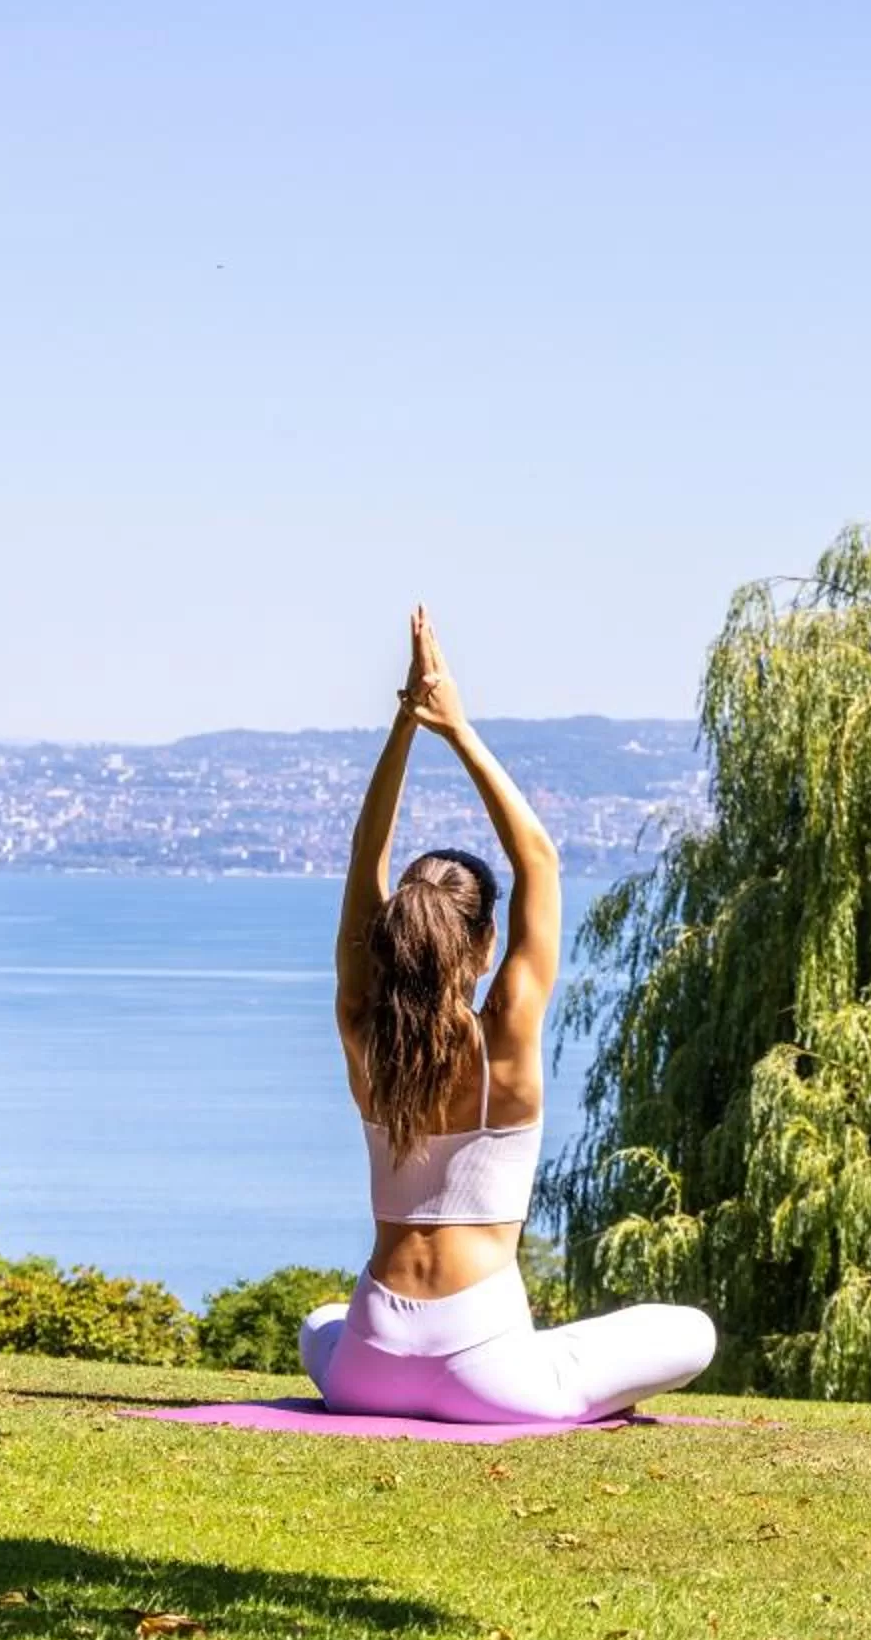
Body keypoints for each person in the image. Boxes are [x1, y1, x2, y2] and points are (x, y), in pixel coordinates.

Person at [298, 606, 716, 1423]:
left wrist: (405, 727)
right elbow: (540, 860)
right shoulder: (506, 1040)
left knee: (322, 1325)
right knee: (691, 1331)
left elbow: (363, 859)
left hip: (368, 1364)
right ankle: (532, 1359)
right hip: (484, 1371)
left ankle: (398, 1361)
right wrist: (454, 725)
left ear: (389, 942)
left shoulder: (362, 1034)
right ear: (484, 946)